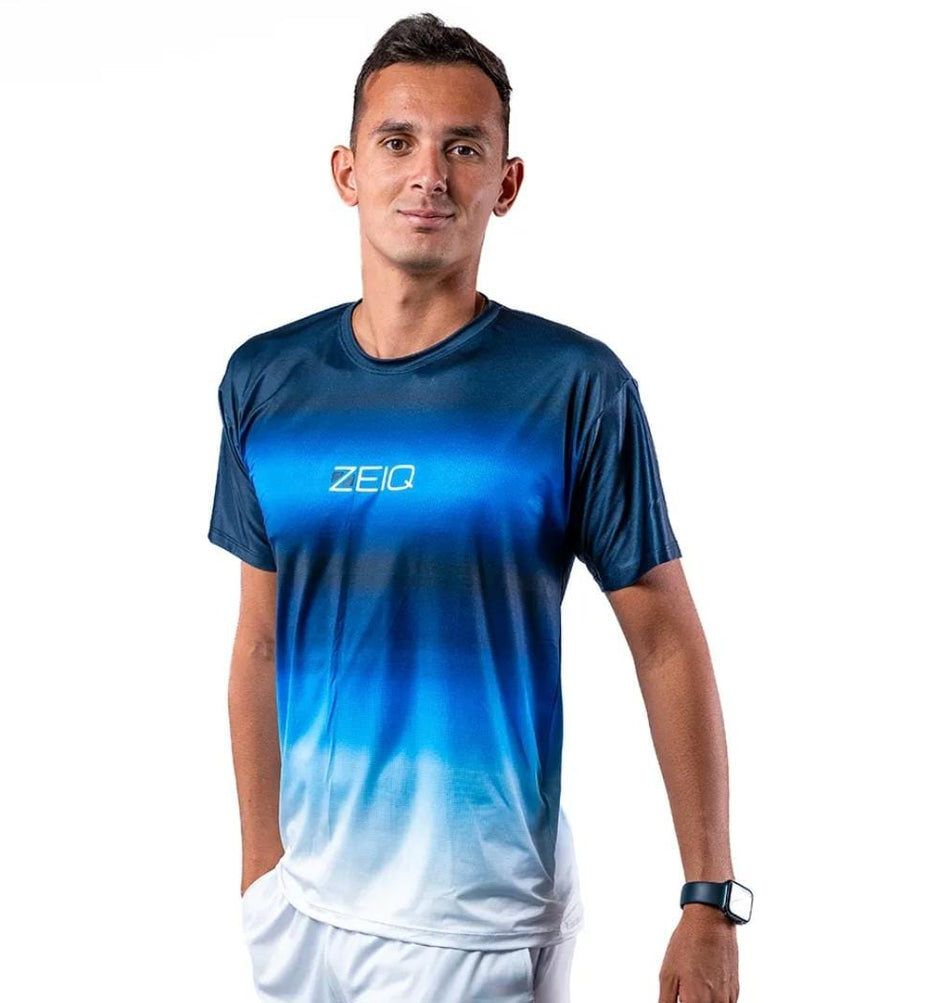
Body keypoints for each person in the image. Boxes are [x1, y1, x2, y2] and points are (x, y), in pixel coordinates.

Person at [208, 13, 745, 1003]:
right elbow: (258, 641)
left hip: (474, 922)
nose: (429, 174)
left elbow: (665, 637)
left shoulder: (572, 386)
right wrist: (259, 874)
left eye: (463, 148)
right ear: (346, 171)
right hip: (303, 915)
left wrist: (708, 899)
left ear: (506, 181)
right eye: (397, 141)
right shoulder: (266, 380)